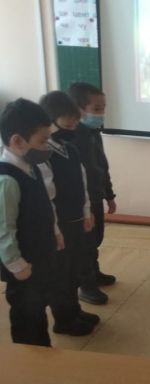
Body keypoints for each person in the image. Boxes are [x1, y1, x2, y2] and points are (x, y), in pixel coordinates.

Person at [39, 90, 100, 335]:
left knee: (75, 268)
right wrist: (55, 229)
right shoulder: (44, 154)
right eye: (68, 122)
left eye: (75, 121)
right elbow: (47, 195)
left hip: (76, 220)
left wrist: (87, 211)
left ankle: (74, 310)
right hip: (60, 224)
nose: (73, 125)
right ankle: (63, 319)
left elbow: (82, 182)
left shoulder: (69, 148)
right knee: (61, 274)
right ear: (51, 121)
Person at [0, 99, 57, 346]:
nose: (47, 147)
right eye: (42, 141)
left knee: (38, 308)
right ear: (17, 141)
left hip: (38, 256)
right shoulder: (7, 180)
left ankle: (41, 348)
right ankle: (28, 355)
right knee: (26, 314)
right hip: (22, 265)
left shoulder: (31, 167)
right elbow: (4, 228)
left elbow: (44, 205)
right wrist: (16, 264)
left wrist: (54, 231)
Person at [68, 82, 117, 305]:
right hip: (82, 202)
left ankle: (94, 273)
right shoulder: (72, 138)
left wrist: (109, 195)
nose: (101, 113)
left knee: (96, 238)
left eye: (103, 108)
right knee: (85, 243)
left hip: (96, 196)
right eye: (96, 109)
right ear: (78, 110)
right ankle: (86, 285)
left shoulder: (94, 134)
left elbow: (101, 167)